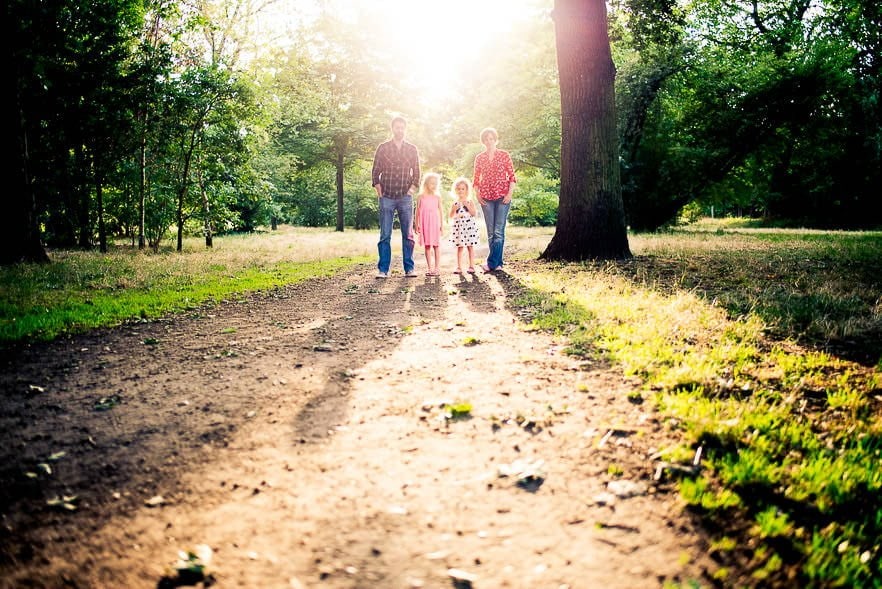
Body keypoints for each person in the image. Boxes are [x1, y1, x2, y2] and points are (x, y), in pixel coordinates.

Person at [371, 115, 420, 278]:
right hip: (387, 196)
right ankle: (383, 269)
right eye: (397, 127)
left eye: (402, 127)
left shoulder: (412, 149)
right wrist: (379, 191)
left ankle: (409, 268)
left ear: (405, 129)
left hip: (405, 196)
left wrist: (412, 189)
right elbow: (375, 171)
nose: (399, 130)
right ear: (392, 129)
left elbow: (417, 171)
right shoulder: (383, 148)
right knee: (385, 234)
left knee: (408, 234)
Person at [472, 127, 516, 273]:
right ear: (483, 141)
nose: (489, 141)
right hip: (486, 197)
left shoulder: (504, 155)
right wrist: (478, 195)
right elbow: (476, 179)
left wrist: (509, 194)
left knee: (498, 231)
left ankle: (491, 263)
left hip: (503, 196)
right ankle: (498, 263)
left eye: (491, 138)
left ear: (495, 139)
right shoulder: (480, 158)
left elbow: (512, 177)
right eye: (486, 139)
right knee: (491, 232)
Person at [414, 172, 444, 276]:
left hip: (435, 223)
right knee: (427, 246)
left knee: (436, 245)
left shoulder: (437, 197)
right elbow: (417, 211)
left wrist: (442, 226)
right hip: (424, 223)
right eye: (432, 183)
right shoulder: (420, 196)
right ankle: (429, 268)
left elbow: (440, 211)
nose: (434, 185)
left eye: (435, 183)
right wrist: (416, 224)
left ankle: (437, 268)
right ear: (426, 184)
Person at [448, 177, 479, 274]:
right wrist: (454, 210)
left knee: (470, 246)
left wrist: (468, 206)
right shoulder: (455, 203)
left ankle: (471, 266)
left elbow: (474, 213)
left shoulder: (469, 201)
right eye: (459, 189)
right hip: (459, 228)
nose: (460, 191)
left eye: (463, 189)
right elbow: (451, 216)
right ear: (455, 190)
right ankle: (458, 267)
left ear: (466, 190)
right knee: (459, 247)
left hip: (469, 227)